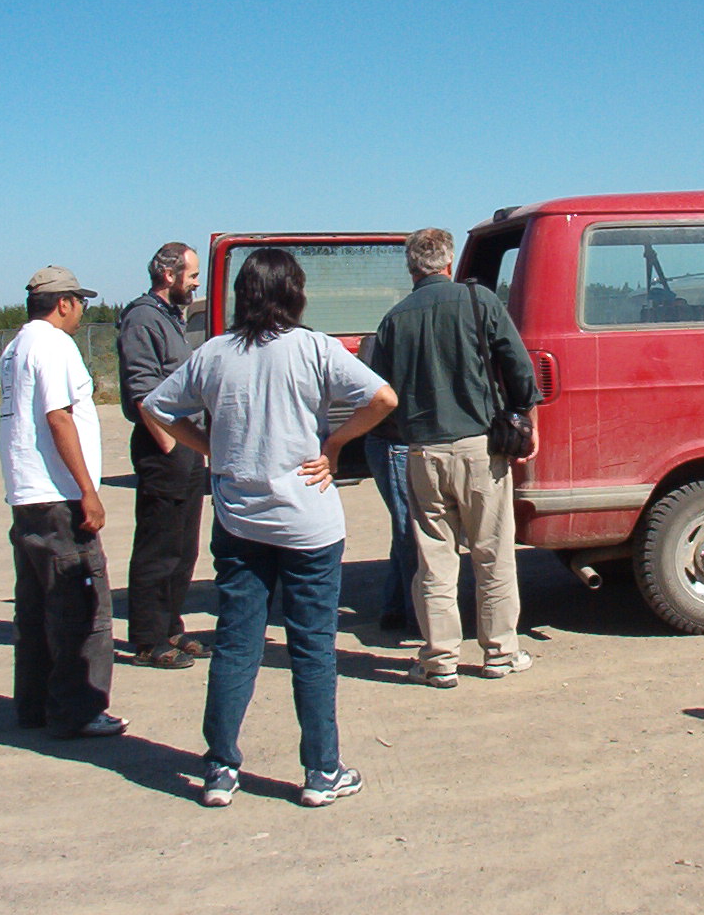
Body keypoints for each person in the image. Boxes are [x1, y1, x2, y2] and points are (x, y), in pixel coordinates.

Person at [141, 248, 395, 809]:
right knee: (311, 648)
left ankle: (220, 768)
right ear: (294, 293)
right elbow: (383, 397)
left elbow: (156, 407)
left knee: (236, 645)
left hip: (240, 522)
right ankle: (321, 771)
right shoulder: (313, 348)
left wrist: (208, 447)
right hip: (309, 522)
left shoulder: (213, 354)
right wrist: (333, 443)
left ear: (244, 294)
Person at [367, 227, 542, 688]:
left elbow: (379, 392)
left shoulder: (393, 320)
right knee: (492, 554)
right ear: (448, 264)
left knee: (435, 560)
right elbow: (518, 366)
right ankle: (500, 653)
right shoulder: (479, 301)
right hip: (480, 448)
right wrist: (525, 415)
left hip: (422, 452)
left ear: (412, 269)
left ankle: (440, 659)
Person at [0, 266, 125, 740]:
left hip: (26, 496)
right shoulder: (53, 345)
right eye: (80, 303)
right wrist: (87, 490)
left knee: (34, 610)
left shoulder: (15, 347)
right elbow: (58, 417)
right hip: (59, 497)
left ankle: (33, 704)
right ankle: (78, 709)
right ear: (64, 303)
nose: (80, 312)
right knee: (82, 608)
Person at [116, 242, 208, 670]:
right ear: (169, 276)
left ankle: (171, 625)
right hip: (163, 449)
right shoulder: (141, 318)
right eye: (191, 274)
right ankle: (149, 639)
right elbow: (141, 391)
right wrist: (170, 444)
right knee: (158, 546)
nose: (196, 282)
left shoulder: (172, 318)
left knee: (184, 546)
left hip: (187, 446)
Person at [358, 337, 417, 635]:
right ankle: (416, 616)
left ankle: (394, 608)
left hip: (394, 443)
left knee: (404, 527)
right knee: (410, 531)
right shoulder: (385, 342)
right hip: (394, 443)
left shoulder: (382, 341)